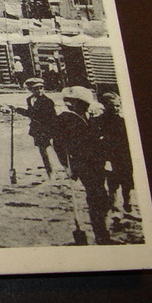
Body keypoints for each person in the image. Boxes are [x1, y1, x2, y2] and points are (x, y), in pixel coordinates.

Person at [53, 85, 112, 244]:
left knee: (102, 196)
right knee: (96, 196)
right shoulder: (65, 119)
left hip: (97, 162)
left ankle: (101, 229)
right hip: (83, 164)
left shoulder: (87, 116)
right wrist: (66, 166)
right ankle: (101, 234)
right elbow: (58, 145)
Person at [94, 91, 134, 214]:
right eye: (113, 106)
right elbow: (96, 139)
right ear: (106, 106)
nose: (116, 108)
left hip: (124, 155)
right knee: (113, 182)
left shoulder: (123, 121)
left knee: (127, 180)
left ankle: (128, 204)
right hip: (110, 156)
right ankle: (114, 206)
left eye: (118, 105)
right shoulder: (99, 121)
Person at [13, 77, 59, 180]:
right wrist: (17, 110)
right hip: (37, 130)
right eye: (36, 89)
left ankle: (64, 170)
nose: (39, 91)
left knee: (57, 150)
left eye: (41, 88)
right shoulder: (29, 99)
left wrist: (54, 130)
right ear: (30, 90)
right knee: (43, 152)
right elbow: (31, 114)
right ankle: (50, 173)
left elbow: (52, 117)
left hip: (49, 128)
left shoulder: (48, 101)